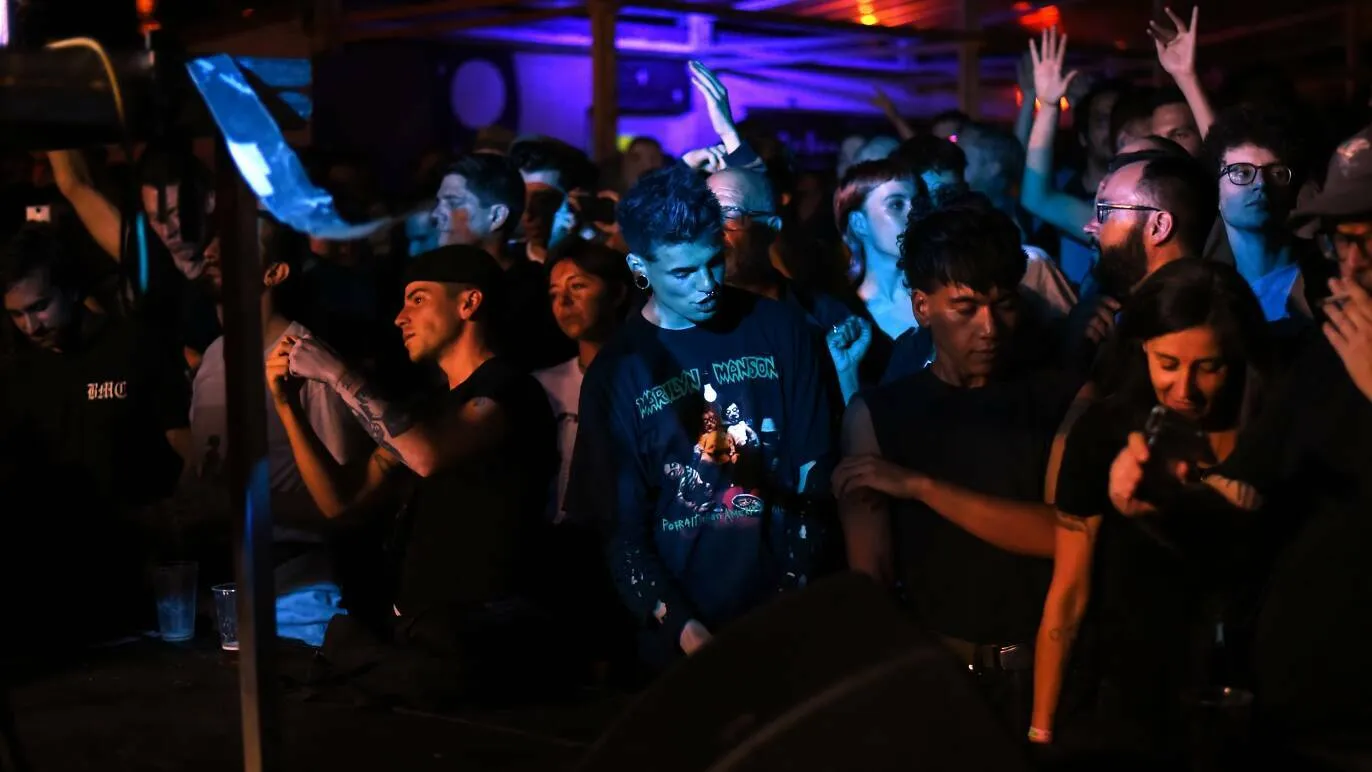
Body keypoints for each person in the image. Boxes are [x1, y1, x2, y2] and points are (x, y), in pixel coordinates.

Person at [566, 164, 835, 669]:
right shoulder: (618, 371)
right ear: (640, 268)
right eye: (683, 273)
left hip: (788, 623)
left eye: (714, 261)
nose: (708, 284)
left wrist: (792, 597)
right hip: (681, 644)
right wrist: (684, 630)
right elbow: (620, 528)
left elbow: (814, 473)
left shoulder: (783, 331)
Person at [832, 196, 1080, 737]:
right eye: (965, 308)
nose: (989, 327)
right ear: (922, 307)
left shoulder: (1060, 399)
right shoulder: (880, 413)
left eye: (1005, 304)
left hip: (1048, 669)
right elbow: (869, 580)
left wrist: (919, 486)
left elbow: (1067, 534)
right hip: (936, 678)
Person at [267, 245, 558, 704]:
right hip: (422, 633)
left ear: (468, 303)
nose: (400, 317)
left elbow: (426, 455)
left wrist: (338, 374)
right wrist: (288, 408)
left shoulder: (509, 390)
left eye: (417, 299)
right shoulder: (428, 410)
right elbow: (340, 502)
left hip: (484, 637)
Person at [1033, 259, 1271, 761]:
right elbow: (1069, 590)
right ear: (1141, 348)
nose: (1184, 390)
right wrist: (1041, 732)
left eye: (1208, 367)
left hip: (1257, 704)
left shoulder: (1273, 433)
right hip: (1135, 707)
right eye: (1167, 363)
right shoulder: (1104, 434)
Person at [1191, 123, 1372, 761]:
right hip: (1297, 697)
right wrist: (1165, 487)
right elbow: (1248, 484)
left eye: (1368, 241)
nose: (1350, 266)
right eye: (1339, 242)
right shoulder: (1330, 339)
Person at [0, 224, 192, 645]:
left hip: (138, 574)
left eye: (39, 307)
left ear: (70, 289)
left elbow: (187, 450)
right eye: (16, 315)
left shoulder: (134, 345)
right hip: (54, 582)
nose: (30, 326)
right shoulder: (18, 373)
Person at [707, 166, 871, 404]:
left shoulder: (825, 318)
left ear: (772, 227)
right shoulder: (683, 319)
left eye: (729, 213)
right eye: (705, 215)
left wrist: (847, 375)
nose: (713, 229)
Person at [48, 143, 222, 364]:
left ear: (209, 200)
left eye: (176, 213)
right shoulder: (148, 254)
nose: (168, 231)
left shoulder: (243, 256)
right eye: (155, 218)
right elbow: (74, 185)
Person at [432, 153, 573, 371]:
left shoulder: (537, 293)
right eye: (439, 202)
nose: (437, 214)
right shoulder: (429, 282)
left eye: (453, 203)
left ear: (497, 216)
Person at [535, 239, 632, 522]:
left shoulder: (651, 381)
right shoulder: (544, 386)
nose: (563, 302)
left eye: (577, 286)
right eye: (554, 294)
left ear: (616, 294)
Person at [1203, 105, 1329, 324]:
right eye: (1242, 172)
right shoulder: (1201, 287)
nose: (1260, 184)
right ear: (1216, 187)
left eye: (1277, 173)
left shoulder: (1325, 282)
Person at [834, 159, 924, 382]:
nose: (913, 215)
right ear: (859, 223)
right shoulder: (839, 313)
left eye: (918, 204)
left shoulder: (939, 299)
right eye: (896, 205)